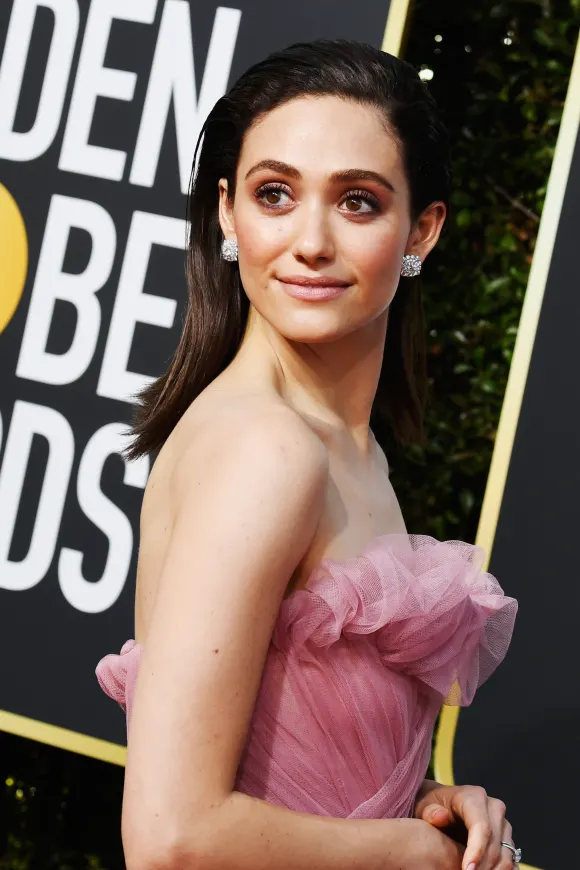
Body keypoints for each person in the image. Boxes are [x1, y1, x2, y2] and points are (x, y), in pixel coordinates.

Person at [96, 39, 519, 870]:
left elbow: (308, 766)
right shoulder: (268, 450)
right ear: (227, 213)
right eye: (275, 194)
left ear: (421, 230)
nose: (310, 242)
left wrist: (427, 805)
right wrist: (399, 854)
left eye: (358, 202)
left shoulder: (347, 449)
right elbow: (169, 838)